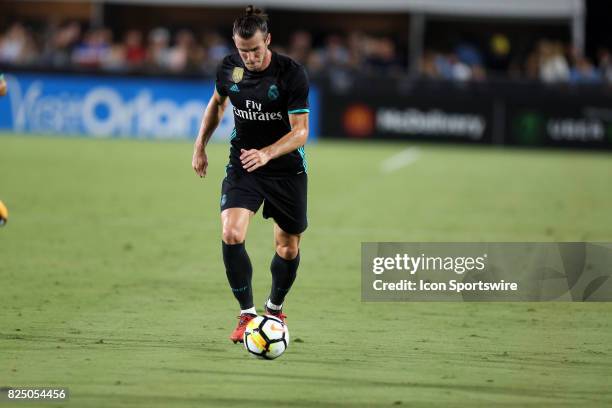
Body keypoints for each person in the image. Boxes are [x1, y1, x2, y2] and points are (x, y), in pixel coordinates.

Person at [191, 5, 310, 343]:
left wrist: (268, 153)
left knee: (287, 247)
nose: (251, 58)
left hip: (285, 169)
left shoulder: (292, 73)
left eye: (256, 49)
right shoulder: (229, 68)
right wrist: (200, 145)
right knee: (231, 232)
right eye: (243, 51)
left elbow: (301, 131)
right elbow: (217, 104)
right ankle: (246, 315)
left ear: (268, 40)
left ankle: (275, 309)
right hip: (244, 162)